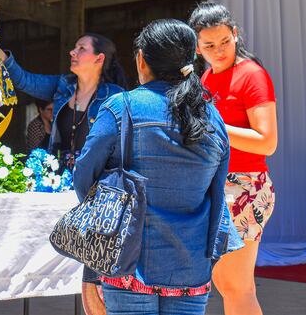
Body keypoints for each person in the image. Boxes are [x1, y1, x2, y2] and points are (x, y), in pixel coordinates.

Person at [74, 19, 238, 315]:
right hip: (191, 269)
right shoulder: (213, 118)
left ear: (141, 59)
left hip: (127, 265)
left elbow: (85, 180)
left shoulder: (120, 107)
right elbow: (217, 194)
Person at [0, 32, 127, 315]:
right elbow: (26, 80)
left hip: (97, 181)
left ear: (98, 58)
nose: (73, 51)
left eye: (81, 48)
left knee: (93, 252)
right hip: (58, 178)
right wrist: (4, 59)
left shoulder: (116, 96)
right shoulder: (62, 85)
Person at [189, 2, 277, 315]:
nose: (219, 50)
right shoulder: (207, 79)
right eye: (210, 45)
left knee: (239, 288)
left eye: (225, 41)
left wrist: (214, 127)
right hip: (217, 186)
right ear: (197, 48)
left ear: (236, 35)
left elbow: (267, 142)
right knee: (227, 286)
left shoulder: (252, 75)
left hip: (246, 187)